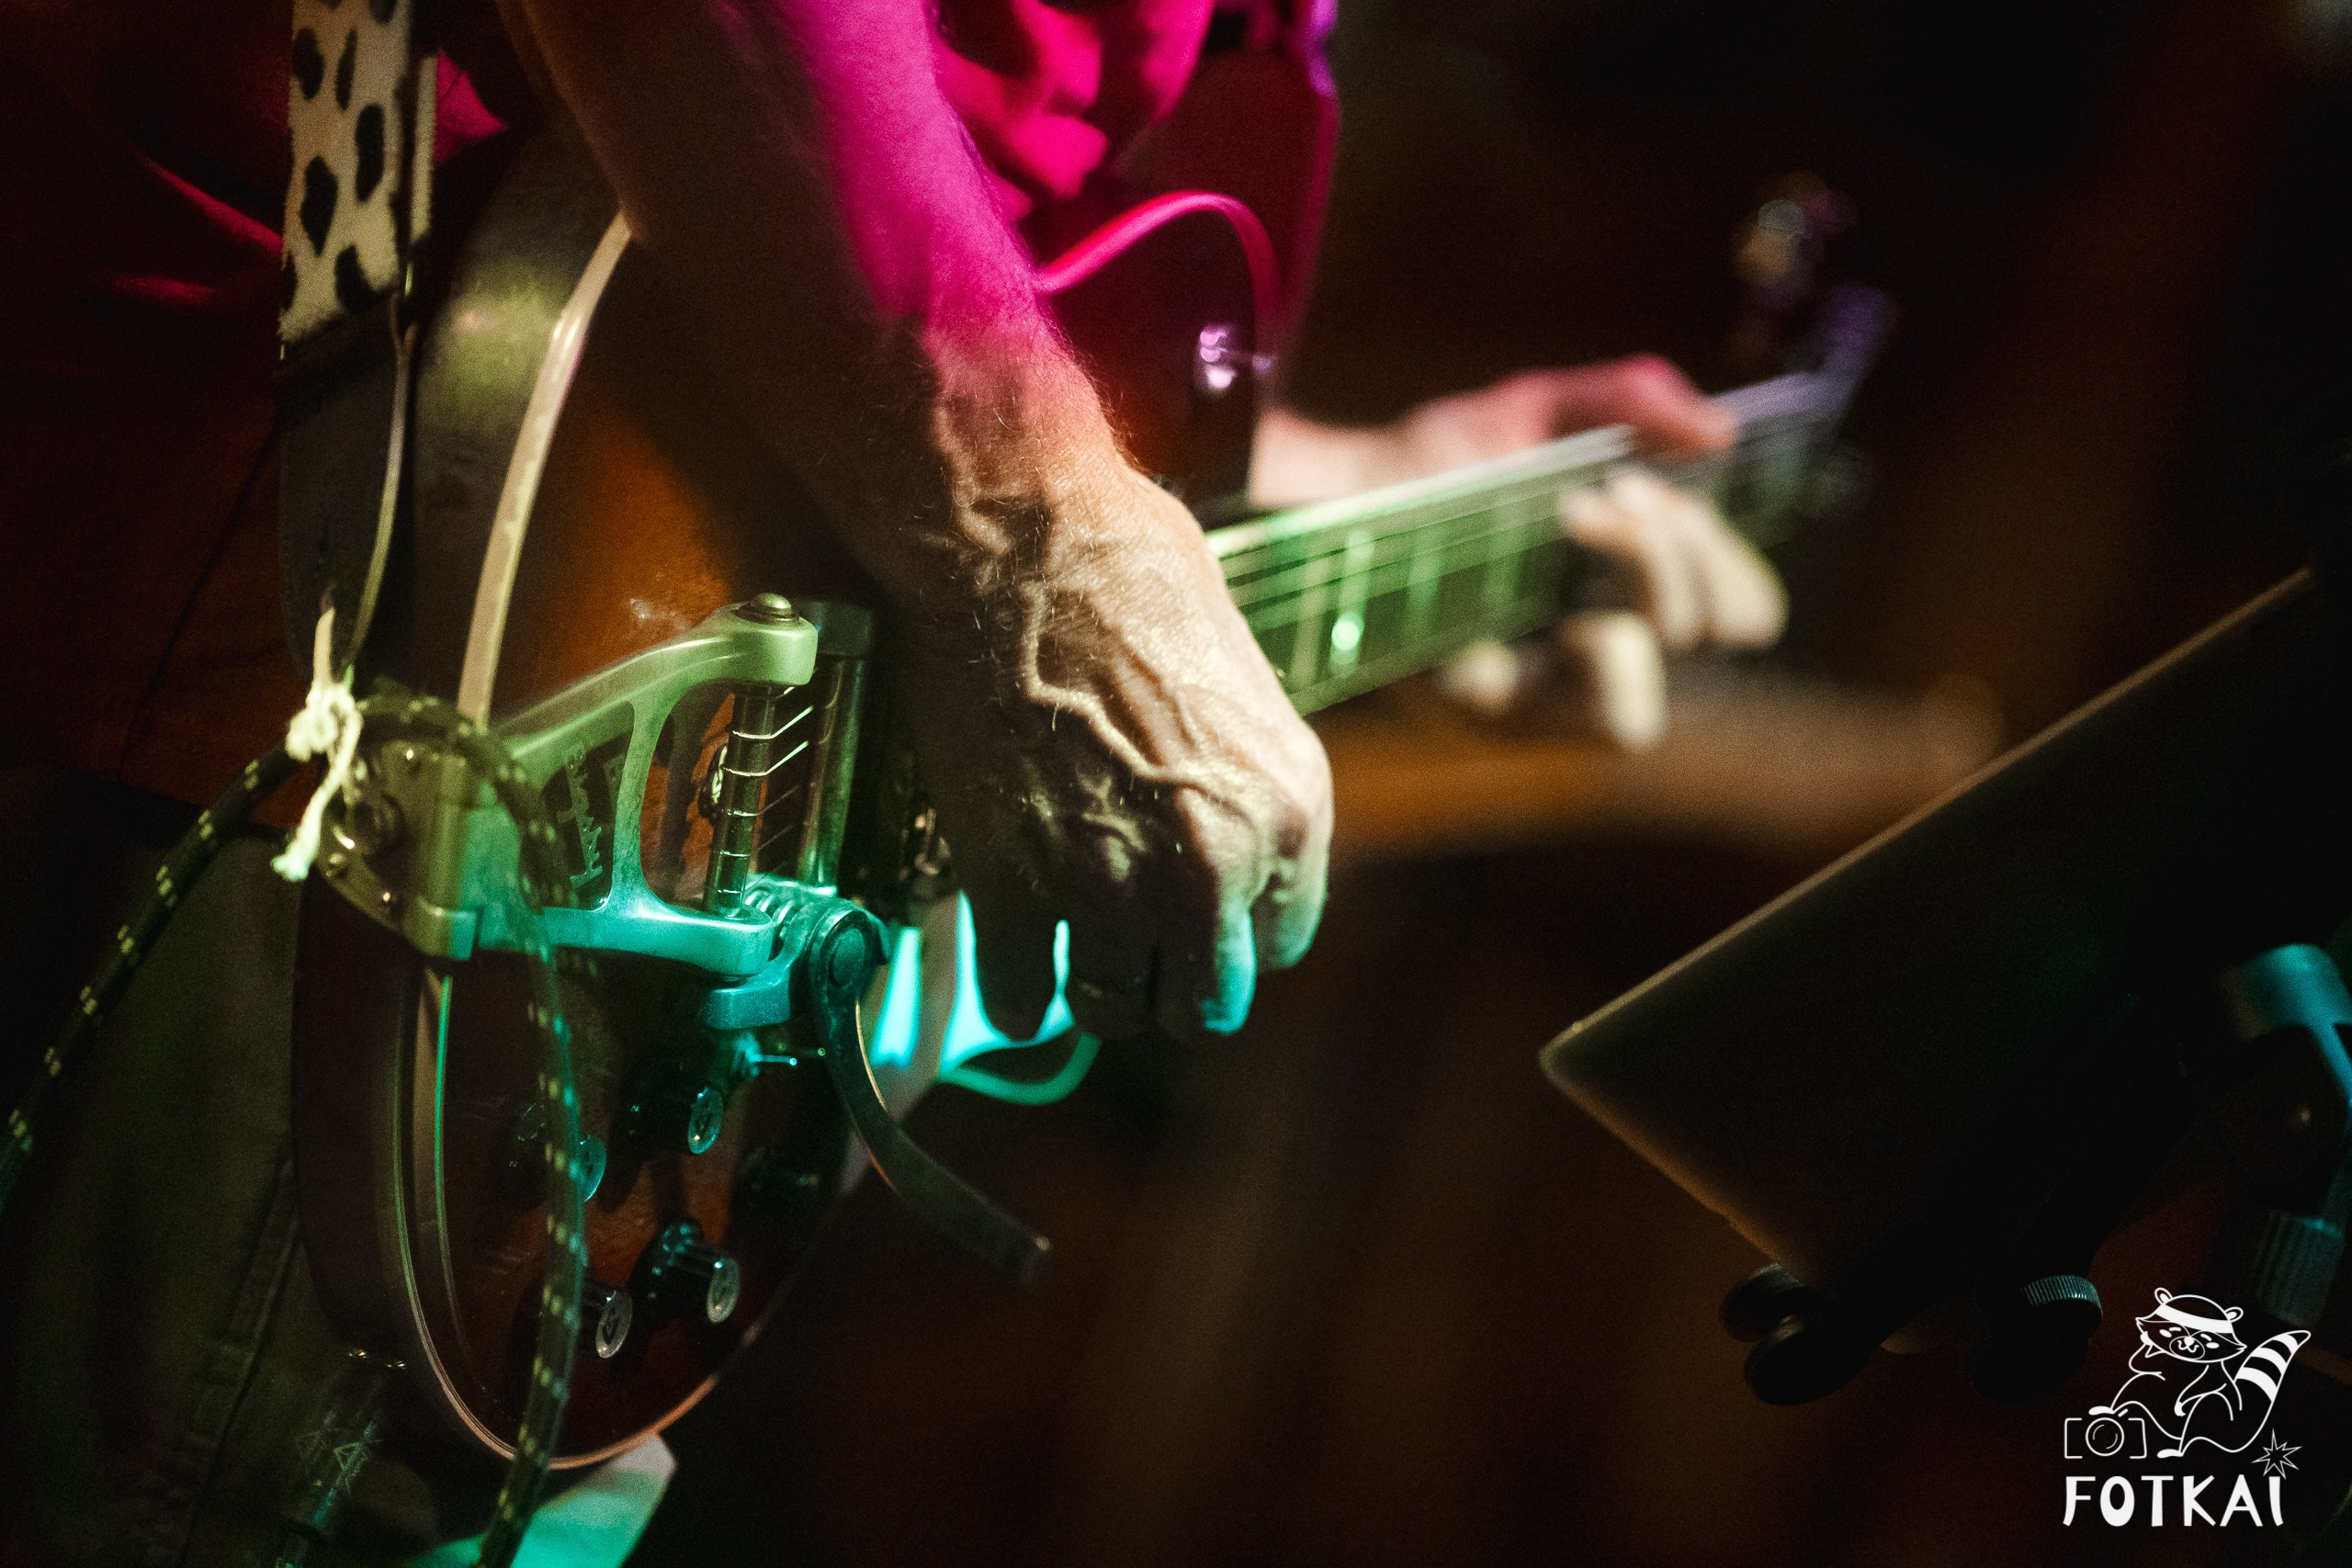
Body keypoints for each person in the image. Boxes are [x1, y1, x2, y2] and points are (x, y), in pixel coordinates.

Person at [0, 0, 1782, 1560]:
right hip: (292, 705)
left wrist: (1339, 496)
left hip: (516, 859)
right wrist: (1032, 528)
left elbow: (974, 204)